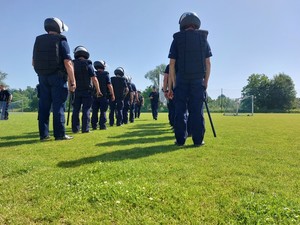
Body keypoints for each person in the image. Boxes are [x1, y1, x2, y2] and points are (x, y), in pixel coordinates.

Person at [168, 12, 212, 147]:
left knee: (180, 110)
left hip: (181, 80)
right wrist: (205, 82)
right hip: (198, 80)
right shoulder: (203, 39)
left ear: (182, 23)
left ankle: (180, 140)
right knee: (197, 111)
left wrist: (174, 83)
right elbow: (208, 63)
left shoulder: (177, 39)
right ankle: (198, 140)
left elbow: (172, 64)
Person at [32, 17, 76, 141]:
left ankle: (44, 134)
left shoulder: (38, 40)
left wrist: (42, 73)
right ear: (59, 27)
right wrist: (72, 81)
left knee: (44, 106)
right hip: (57, 77)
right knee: (58, 106)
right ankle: (60, 134)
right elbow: (68, 62)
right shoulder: (61, 40)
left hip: (42, 77)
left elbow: (33, 62)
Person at [71, 46, 102, 133]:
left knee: (75, 110)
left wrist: (70, 87)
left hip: (76, 90)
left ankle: (75, 129)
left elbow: (69, 77)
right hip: (87, 91)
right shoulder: (88, 64)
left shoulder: (72, 64)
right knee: (86, 110)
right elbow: (94, 79)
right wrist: (98, 90)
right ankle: (85, 129)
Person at [91, 60, 115, 130]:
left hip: (94, 96)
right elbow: (109, 85)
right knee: (103, 111)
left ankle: (94, 125)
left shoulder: (93, 74)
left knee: (94, 111)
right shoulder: (105, 74)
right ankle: (102, 126)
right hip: (103, 96)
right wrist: (112, 94)